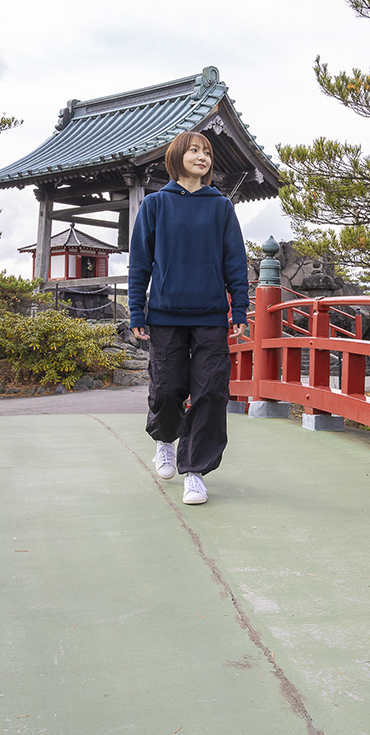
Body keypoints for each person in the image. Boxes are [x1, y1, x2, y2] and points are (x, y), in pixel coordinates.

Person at [128, 130, 249, 505]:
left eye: (207, 152)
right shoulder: (155, 205)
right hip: (165, 313)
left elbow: (235, 260)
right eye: (194, 150)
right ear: (177, 157)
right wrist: (137, 309)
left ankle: (194, 471)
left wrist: (240, 307)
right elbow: (140, 263)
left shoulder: (221, 207)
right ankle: (165, 440)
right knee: (166, 390)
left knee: (211, 392)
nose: (202, 156)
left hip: (211, 314)